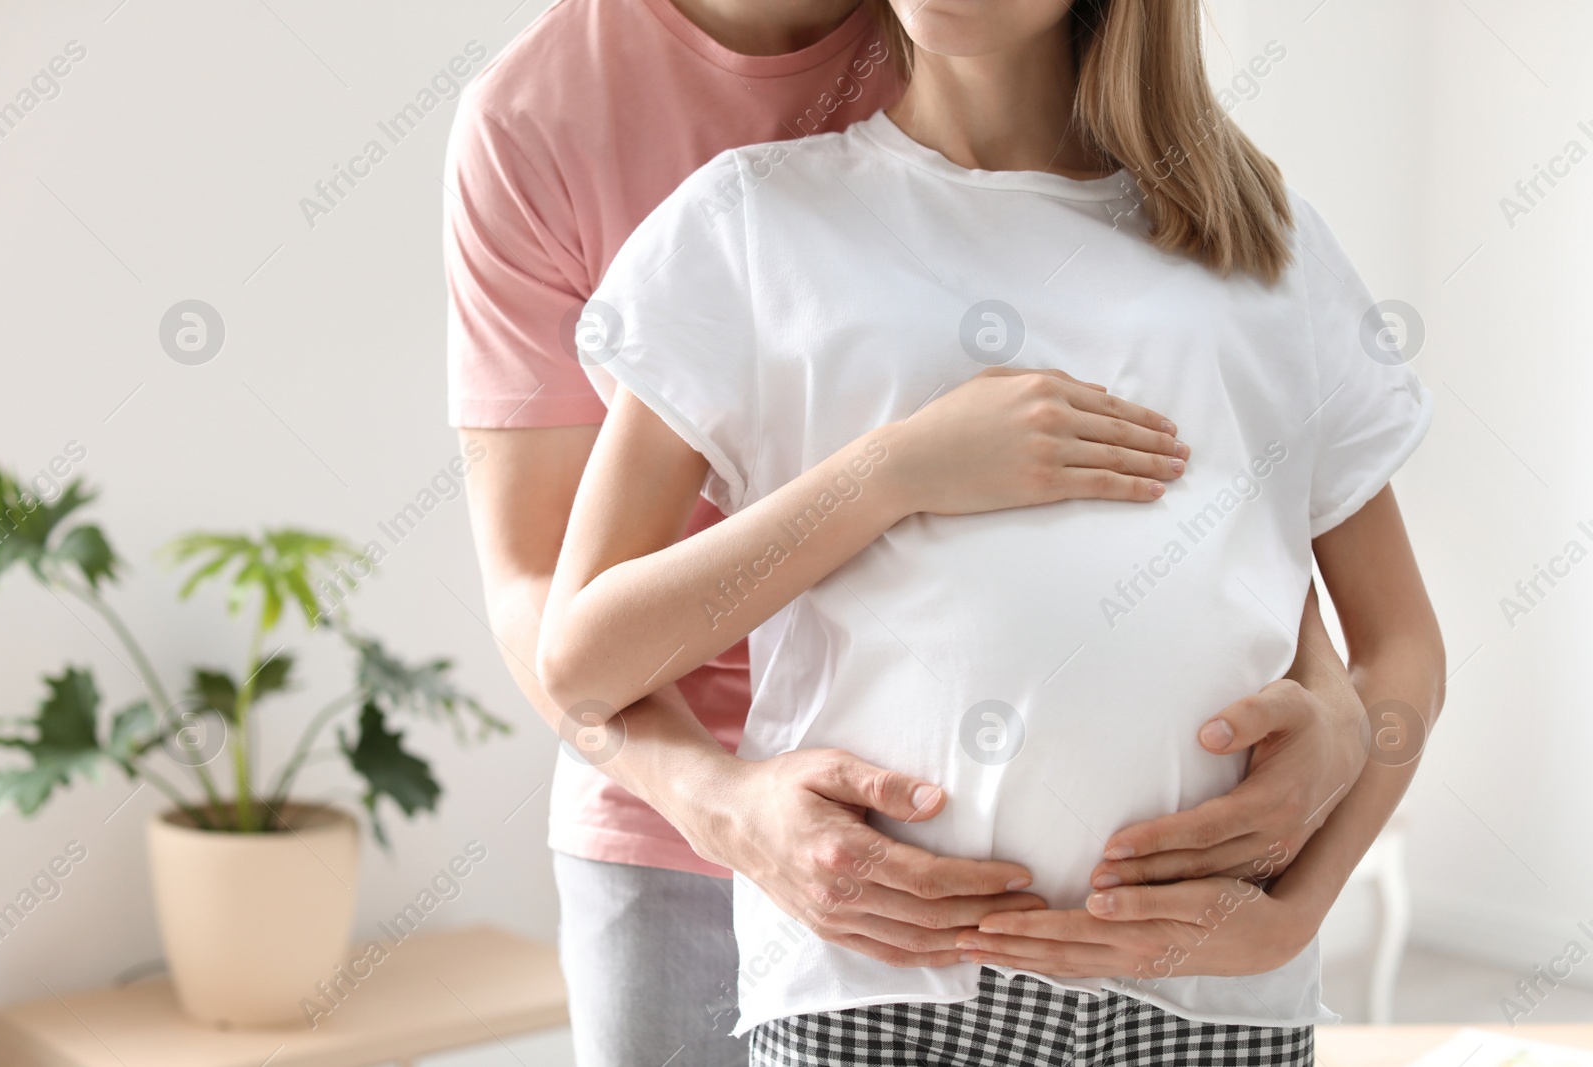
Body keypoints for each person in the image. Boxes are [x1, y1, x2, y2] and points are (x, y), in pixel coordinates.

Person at [446, 0, 1380, 1063]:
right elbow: (550, 606)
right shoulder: (609, 152)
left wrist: (1329, 745)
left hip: (1171, 970)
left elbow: (1249, 543)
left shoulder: (1237, 234)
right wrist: (719, 795)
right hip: (720, 833)